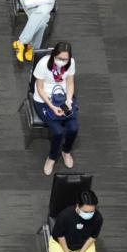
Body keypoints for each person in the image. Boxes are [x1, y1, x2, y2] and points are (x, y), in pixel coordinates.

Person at [32, 41, 77, 176]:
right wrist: (52, 106)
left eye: (65, 59)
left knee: (73, 128)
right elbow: (39, 88)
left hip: (62, 96)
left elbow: (70, 83)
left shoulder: (71, 63)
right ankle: (52, 157)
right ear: (54, 55)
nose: (62, 61)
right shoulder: (44, 64)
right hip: (44, 99)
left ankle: (66, 151)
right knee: (57, 132)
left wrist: (68, 101)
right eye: (59, 58)